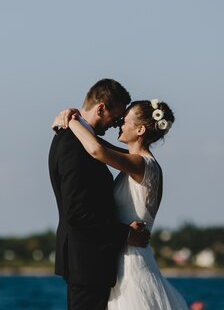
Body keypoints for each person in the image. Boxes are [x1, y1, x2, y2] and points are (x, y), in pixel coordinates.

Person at [52, 98, 189, 310]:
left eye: (125, 120)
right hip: (118, 255)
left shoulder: (141, 164)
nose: (119, 123)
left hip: (131, 260)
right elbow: (99, 145)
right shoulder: (134, 160)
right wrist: (73, 117)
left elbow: (97, 150)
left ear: (140, 129)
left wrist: (71, 121)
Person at [48, 78, 151, 310]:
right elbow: (77, 213)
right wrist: (126, 234)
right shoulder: (72, 145)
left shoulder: (79, 139)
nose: (116, 125)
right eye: (116, 118)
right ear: (101, 108)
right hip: (86, 261)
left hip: (91, 261)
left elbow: (106, 151)